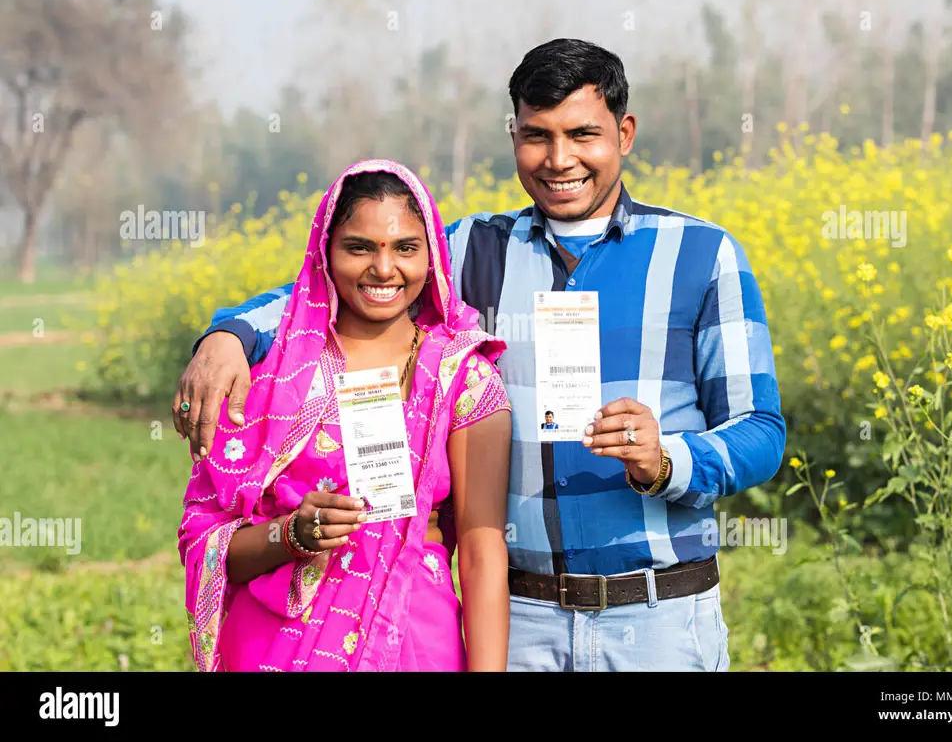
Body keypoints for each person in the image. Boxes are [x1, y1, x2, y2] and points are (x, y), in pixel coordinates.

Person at [176, 39, 786, 671]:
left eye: (583, 134)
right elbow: (341, 280)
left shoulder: (699, 256)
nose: (559, 160)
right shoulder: (471, 251)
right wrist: (230, 335)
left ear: (624, 133)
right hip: (521, 622)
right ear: (513, 133)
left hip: (658, 615)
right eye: (536, 135)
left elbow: (761, 431)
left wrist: (666, 459)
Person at [176, 159, 512, 672]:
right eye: (359, 247)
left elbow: (482, 550)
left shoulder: (462, 379)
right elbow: (206, 540)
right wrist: (290, 535)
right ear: (325, 254)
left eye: (405, 248)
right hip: (276, 642)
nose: (383, 269)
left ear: (432, 256)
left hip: (413, 640)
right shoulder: (269, 376)